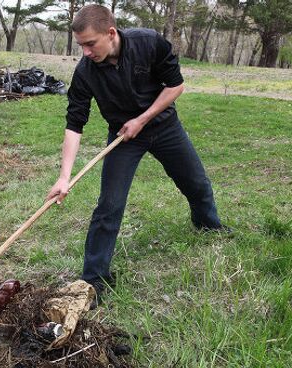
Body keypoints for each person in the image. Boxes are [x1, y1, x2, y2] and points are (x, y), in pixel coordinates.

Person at [46, 5, 227, 302]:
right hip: (123, 138)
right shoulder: (85, 71)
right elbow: (74, 123)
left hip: (164, 127)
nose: (86, 52)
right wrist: (64, 177)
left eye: (91, 44)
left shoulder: (148, 43)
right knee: (109, 206)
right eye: (81, 46)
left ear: (111, 33)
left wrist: (142, 119)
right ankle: (94, 280)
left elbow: (175, 85)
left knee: (196, 182)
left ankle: (209, 225)